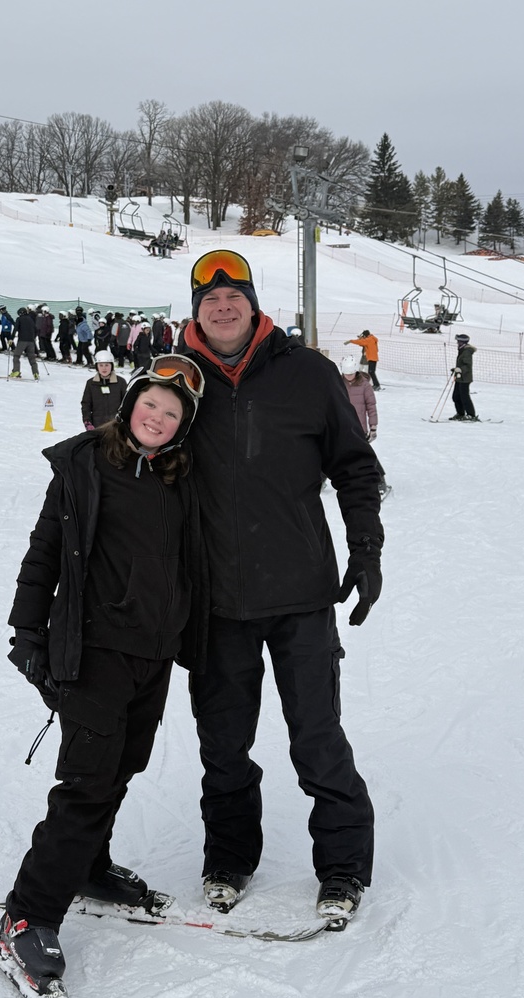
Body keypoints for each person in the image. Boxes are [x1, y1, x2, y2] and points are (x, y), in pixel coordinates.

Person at [178, 250, 383, 925]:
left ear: (255, 303)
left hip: (300, 596)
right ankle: (230, 858)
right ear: (195, 308)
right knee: (223, 746)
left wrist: (366, 548)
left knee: (318, 740)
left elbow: (355, 468)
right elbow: (135, 470)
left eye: (235, 295)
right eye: (211, 299)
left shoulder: (309, 375)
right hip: (215, 602)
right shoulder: (176, 381)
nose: (224, 306)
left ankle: (344, 867)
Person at [0, 354, 207, 998]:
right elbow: (46, 551)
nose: (158, 418)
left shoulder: (180, 479)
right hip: (94, 651)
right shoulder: (86, 466)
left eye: (172, 415)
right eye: (151, 404)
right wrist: (26, 633)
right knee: (88, 781)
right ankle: (28, 912)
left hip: (153, 653)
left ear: (181, 428)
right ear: (130, 401)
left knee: (122, 767)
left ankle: (86, 865)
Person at [340, 354, 391, 499]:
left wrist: (373, 427)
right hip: (342, 427)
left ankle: (380, 481)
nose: (348, 376)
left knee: (365, 455)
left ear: (355, 370)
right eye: (346, 374)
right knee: (333, 453)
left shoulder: (364, 385)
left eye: (350, 373)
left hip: (359, 428)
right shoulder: (338, 383)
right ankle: (320, 480)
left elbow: (371, 407)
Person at [80, 350, 128, 428]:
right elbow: (86, 404)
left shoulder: (120, 382)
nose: (104, 368)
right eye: (101, 365)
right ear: (97, 366)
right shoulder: (91, 383)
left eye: (107, 365)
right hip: (97, 425)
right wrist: (87, 421)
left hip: (116, 426)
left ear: (111, 366)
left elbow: (126, 403)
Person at [450, 333, 479, 421]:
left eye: (458, 341)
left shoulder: (466, 352)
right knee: (456, 396)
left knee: (464, 397)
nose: (457, 343)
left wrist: (459, 369)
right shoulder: (462, 350)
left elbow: (467, 366)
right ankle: (460, 413)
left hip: (465, 378)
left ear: (463, 342)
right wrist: (456, 369)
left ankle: (471, 415)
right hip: (459, 377)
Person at [10, 307, 40, 379]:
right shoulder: (31, 319)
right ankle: (36, 373)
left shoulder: (19, 319)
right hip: (31, 342)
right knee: (32, 358)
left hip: (22, 341)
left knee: (16, 356)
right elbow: (36, 330)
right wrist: (33, 337)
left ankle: (16, 371)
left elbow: (15, 329)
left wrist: (11, 338)